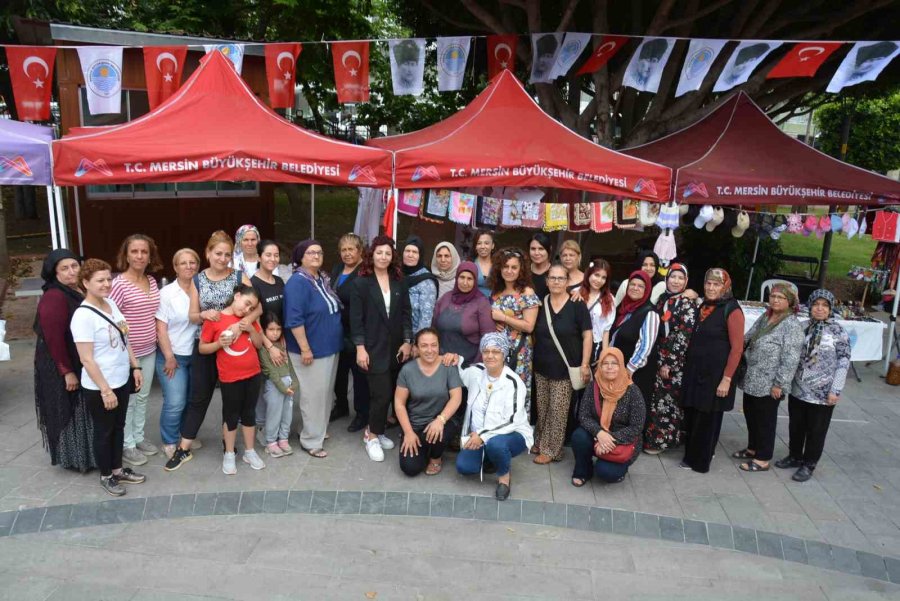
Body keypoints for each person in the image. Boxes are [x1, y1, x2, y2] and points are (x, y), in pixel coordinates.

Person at [164, 231, 256, 472]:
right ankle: (183, 448)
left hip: (234, 345)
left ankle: (229, 447)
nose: (223, 258)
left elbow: (257, 307)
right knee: (199, 397)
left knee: (232, 399)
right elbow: (192, 316)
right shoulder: (198, 279)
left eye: (227, 254)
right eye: (218, 253)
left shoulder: (239, 276)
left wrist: (239, 324)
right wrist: (202, 315)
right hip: (205, 345)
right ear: (208, 254)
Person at [71, 259, 146, 496]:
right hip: (100, 386)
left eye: (108, 279)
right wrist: (105, 390)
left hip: (121, 378)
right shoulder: (82, 316)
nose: (106, 284)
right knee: (104, 431)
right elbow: (87, 359)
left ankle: (117, 469)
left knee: (119, 426)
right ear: (85, 283)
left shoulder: (112, 304)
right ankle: (106, 475)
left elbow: (125, 338)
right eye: (100, 280)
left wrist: (136, 367)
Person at [777, 289, 851, 482]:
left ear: (830, 308)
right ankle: (794, 456)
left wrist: (836, 389)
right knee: (796, 425)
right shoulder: (802, 327)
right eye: (816, 305)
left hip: (823, 392)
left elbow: (844, 361)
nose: (819, 309)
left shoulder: (838, 332)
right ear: (810, 306)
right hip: (799, 388)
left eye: (824, 305)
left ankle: (809, 464)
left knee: (816, 430)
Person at [350, 236, 413, 462]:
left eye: (387, 253)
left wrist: (407, 341)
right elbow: (355, 320)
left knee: (392, 393)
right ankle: (371, 435)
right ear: (371, 255)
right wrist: (360, 348)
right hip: (372, 347)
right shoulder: (361, 283)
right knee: (381, 394)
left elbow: (406, 313)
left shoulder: (399, 280)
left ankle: (379, 429)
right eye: (379, 253)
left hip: (396, 348)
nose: (383, 257)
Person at [33, 249, 96, 472]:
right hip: (60, 363)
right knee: (70, 411)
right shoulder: (54, 296)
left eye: (74, 266)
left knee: (84, 410)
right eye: (64, 268)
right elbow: (53, 339)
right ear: (54, 273)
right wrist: (66, 371)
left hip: (77, 359)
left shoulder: (75, 290)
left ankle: (89, 456)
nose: (71, 272)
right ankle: (77, 459)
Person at [452, 333, 534, 501]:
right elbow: (459, 372)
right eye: (486, 351)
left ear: (504, 354)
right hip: (478, 436)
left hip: (511, 434)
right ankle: (490, 458)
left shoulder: (513, 382)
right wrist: (453, 358)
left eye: (496, 351)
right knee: (464, 467)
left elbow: (512, 420)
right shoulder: (476, 372)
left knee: (496, 444)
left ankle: (504, 478)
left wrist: (482, 435)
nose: (490, 355)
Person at [680, 268, 744, 474]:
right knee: (693, 414)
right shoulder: (705, 306)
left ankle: (700, 461)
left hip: (715, 376)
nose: (711, 288)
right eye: (708, 283)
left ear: (725, 287)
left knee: (707, 418)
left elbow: (737, 348)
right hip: (696, 371)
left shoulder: (732, 310)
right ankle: (690, 455)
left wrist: (726, 379)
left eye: (716, 284)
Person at [284, 239, 343, 459]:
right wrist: (305, 348)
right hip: (311, 350)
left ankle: (316, 429)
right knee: (312, 395)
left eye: (319, 252)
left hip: (329, 347)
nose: (316, 256)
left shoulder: (321, 279)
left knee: (325, 394)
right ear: (300, 257)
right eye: (310, 253)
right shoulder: (298, 283)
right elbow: (294, 319)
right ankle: (311, 440)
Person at [736, 283, 804, 472]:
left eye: (780, 298)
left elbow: (790, 358)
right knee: (751, 413)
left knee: (765, 419)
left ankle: (763, 458)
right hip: (753, 377)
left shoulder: (791, 325)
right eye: (773, 296)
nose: (775, 300)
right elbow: (749, 336)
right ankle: (752, 448)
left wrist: (780, 384)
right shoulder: (767, 316)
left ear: (789, 302)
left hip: (770, 382)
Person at [199, 284, 266, 474]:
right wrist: (219, 343)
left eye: (251, 308)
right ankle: (229, 453)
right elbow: (202, 348)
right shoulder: (215, 319)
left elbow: (260, 344)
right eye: (246, 303)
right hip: (230, 377)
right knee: (230, 414)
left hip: (253, 373)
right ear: (237, 296)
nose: (246, 310)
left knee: (249, 412)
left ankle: (250, 451)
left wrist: (251, 330)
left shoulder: (248, 320)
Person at [110, 234, 162, 467]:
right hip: (127, 354)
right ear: (126, 255)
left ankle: (138, 437)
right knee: (129, 399)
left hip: (149, 349)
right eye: (135, 252)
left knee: (142, 397)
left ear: (150, 256)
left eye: (144, 252)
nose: (140, 256)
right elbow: (112, 320)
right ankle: (126, 444)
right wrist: (130, 359)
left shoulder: (151, 281)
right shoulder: (119, 284)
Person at [532, 264, 592, 464]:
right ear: (547, 281)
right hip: (541, 366)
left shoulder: (577, 304)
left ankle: (552, 450)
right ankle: (540, 441)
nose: (556, 282)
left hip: (565, 368)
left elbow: (587, 335)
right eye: (553, 278)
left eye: (561, 278)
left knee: (558, 411)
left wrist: (585, 364)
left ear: (567, 282)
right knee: (543, 407)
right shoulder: (542, 303)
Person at [570, 348, 646, 486]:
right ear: (600, 366)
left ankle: (616, 468)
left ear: (621, 365)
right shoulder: (594, 386)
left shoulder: (633, 391)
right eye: (605, 363)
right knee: (578, 436)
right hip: (597, 433)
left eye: (614, 363)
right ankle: (583, 471)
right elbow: (584, 415)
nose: (610, 367)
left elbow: (637, 426)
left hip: (622, 440)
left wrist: (610, 440)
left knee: (606, 473)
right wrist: (599, 433)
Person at [395, 328, 463, 477]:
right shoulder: (407, 370)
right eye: (424, 345)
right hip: (416, 424)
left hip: (443, 421)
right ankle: (425, 448)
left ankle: (436, 457)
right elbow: (399, 403)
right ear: (416, 348)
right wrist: (408, 433)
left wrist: (441, 420)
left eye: (434, 345)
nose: (430, 350)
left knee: (436, 434)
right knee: (410, 468)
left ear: (439, 346)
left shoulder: (448, 366)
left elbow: (456, 397)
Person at [645, 263, 697, 454]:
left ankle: (662, 441)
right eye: (672, 277)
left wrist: (670, 363)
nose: (675, 281)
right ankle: (652, 437)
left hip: (673, 363)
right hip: (657, 357)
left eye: (680, 278)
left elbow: (684, 336)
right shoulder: (662, 299)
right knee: (656, 399)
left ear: (686, 281)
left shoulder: (687, 304)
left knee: (667, 403)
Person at [156, 248, 200, 460]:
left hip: (197, 354)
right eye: (183, 263)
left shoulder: (201, 288)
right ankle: (170, 440)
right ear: (175, 267)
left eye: (193, 262)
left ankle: (185, 436)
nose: (189, 266)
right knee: (175, 402)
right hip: (173, 356)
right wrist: (169, 356)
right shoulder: (166, 294)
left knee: (191, 399)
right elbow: (161, 328)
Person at [331, 233, 370, 431]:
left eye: (351, 249)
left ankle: (362, 413)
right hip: (338, 329)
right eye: (343, 250)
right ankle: (341, 406)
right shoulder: (338, 269)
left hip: (357, 331)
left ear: (359, 250)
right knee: (339, 371)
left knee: (359, 374)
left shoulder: (365, 271)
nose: (347, 253)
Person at [490, 248, 540, 400]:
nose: (509, 271)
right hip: (497, 350)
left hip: (519, 351)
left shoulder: (526, 292)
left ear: (521, 270)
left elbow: (529, 326)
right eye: (505, 267)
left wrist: (504, 318)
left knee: (516, 393)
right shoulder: (496, 292)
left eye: (514, 267)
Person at [610, 271, 660, 405]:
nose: (635, 288)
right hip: (615, 370)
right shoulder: (622, 309)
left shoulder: (650, 313)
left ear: (647, 290)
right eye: (632, 284)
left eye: (640, 286)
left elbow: (645, 346)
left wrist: (629, 370)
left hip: (634, 373)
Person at [433, 261, 495, 364]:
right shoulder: (446, 298)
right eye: (462, 277)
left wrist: (475, 366)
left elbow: (488, 338)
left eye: (470, 279)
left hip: (468, 365)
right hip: (442, 362)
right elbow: (433, 328)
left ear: (475, 281)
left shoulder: (481, 302)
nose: (465, 282)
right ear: (457, 278)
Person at [258, 311, 299, 458]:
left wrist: (294, 383)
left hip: (288, 386)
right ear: (264, 330)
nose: (275, 333)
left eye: (278, 329)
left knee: (286, 414)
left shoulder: (282, 345)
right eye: (271, 329)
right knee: (274, 414)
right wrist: (283, 388)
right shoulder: (264, 349)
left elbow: (289, 366)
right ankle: (271, 442)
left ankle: (283, 439)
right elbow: (271, 372)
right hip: (275, 386)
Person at [580, 258, 615, 365]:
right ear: (589, 274)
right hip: (576, 343)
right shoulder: (577, 293)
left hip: (596, 346)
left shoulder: (609, 300)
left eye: (603, 277)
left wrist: (604, 354)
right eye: (596, 275)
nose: (599, 280)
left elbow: (606, 331)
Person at [401, 235, 438, 334]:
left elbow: (425, 321)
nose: (410, 255)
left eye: (415, 252)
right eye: (407, 251)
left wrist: (417, 344)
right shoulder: (396, 275)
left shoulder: (426, 282)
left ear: (420, 255)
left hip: (412, 339)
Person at [528, 233, 553, 300]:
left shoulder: (556, 272)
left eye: (541, 249)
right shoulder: (523, 271)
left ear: (549, 249)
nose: (536, 253)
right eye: (533, 249)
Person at [472, 230, 496, 297]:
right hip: (473, 304)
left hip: (494, 305)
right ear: (475, 246)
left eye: (486, 243)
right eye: (479, 243)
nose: (482, 246)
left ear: (492, 246)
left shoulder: (498, 266)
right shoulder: (470, 264)